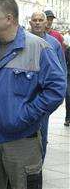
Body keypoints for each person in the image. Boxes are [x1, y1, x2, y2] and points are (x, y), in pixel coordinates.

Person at [0, 0, 66, 189]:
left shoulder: (38, 48)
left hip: (22, 142)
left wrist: (25, 116)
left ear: (9, 18)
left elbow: (56, 89)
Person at [29, 11, 66, 159]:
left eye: (40, 20)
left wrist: (58, 95)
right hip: (25, 95)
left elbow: (61, 71)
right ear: (30, 22)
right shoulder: (22, 40)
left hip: (43, 96)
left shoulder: (54, 44)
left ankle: (38, 166)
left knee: (41, 134)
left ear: (46, 24)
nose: (37, 22)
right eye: (35, 20)